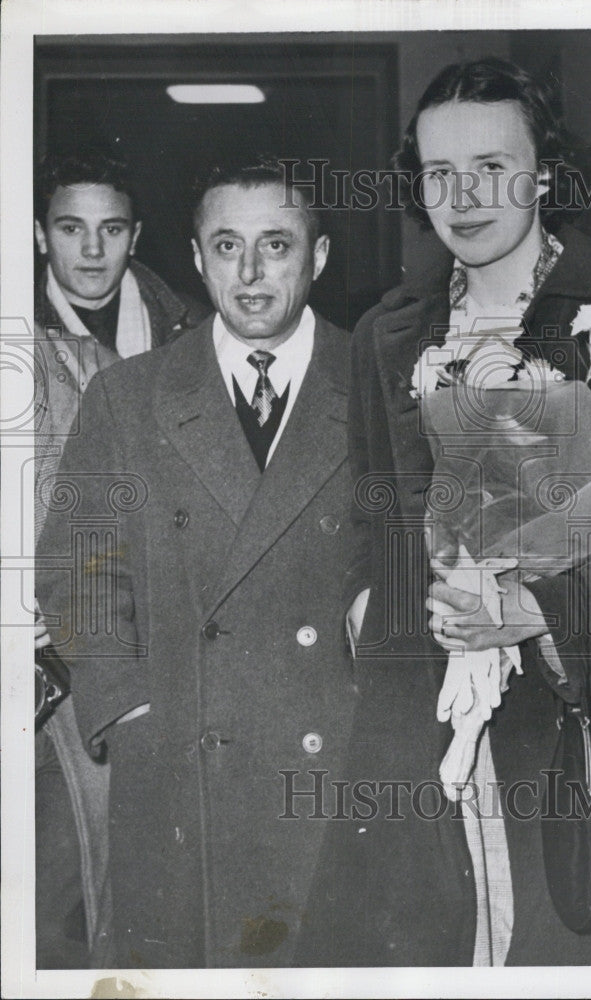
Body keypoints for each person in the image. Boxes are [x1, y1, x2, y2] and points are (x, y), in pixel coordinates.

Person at [300, 58, 591, 967]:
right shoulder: (389, 332)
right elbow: (371, 517)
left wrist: (539, 611)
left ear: (544, 172)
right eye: (437, 174)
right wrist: (370, 605)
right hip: (424, 737)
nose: (462, 197)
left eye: (492, 168)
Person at [36, 155, 356, 967]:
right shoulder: (129, 395)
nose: (249, 274)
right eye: (225, 247)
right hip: (179, 776)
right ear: (193, 256)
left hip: (333, 776)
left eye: (276, 246)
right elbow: (77, 567)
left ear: (316, 258)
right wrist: (127, 708)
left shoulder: (379, 386)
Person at [34, 149, 208, 967]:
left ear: (135, 236)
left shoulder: (187, 326)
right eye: (72, 229)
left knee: (145, 853)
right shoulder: (16, 335)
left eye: (110, 230)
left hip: (151, 614)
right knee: (54, 861)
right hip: (47, 623)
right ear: (42, 236)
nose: (92, 252)